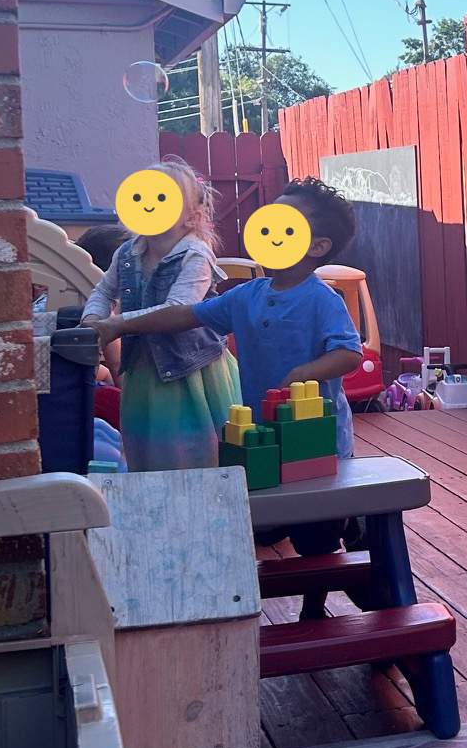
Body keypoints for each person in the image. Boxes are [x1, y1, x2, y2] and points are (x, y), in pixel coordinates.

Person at [88, 177, 364, 577]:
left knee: (315, 534)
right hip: (259, 429)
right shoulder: (247, 295)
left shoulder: (322, 298)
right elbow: (184, 315)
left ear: (316, 246)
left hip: (315, 433)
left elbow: (349, 352)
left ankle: (320, 594)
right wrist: (121, 325)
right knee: (264, 510)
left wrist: (303, 374)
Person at [81, 158, 239, 471]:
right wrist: (92, 321)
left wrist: (118, 325)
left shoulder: (196, 254)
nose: (147, 204)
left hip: (191, 372)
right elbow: (103, 292)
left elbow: (178, 310)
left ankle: (201, 505)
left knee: (194, 449)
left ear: (191, 216)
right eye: (139, 197)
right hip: (144, 370)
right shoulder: (127, 253)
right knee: (148, 448)